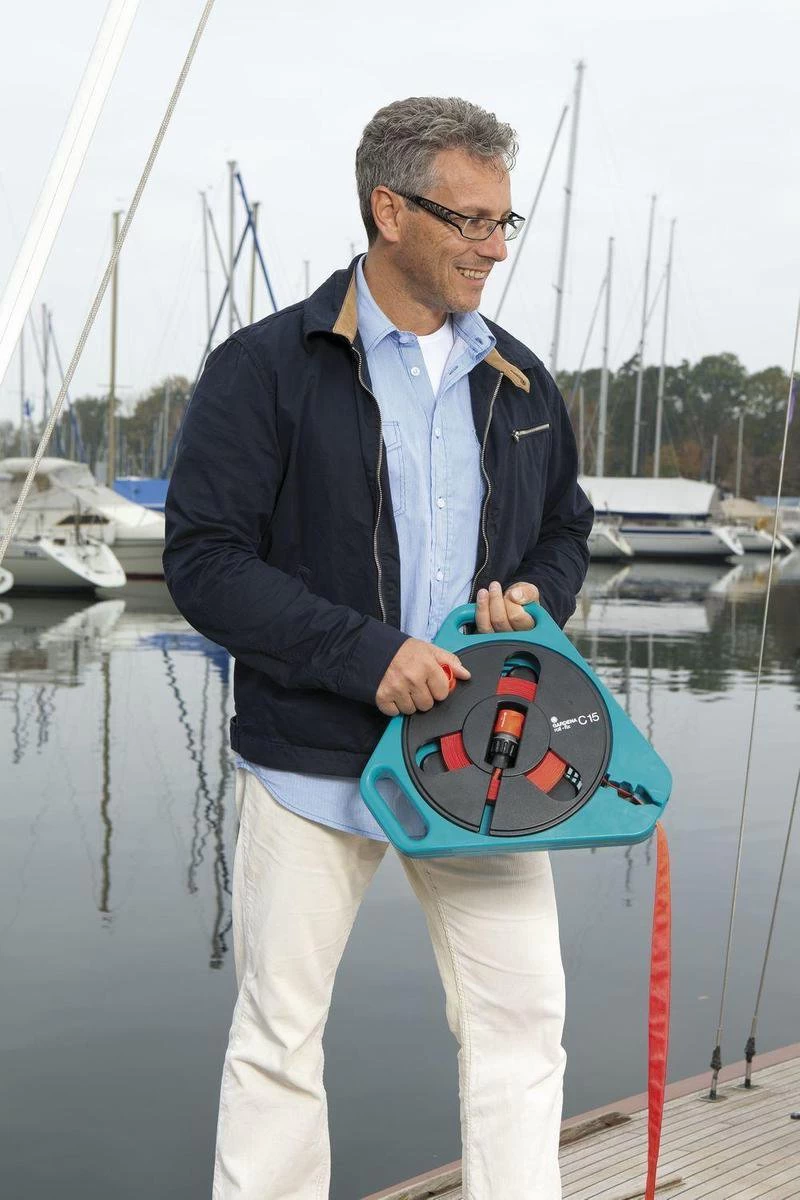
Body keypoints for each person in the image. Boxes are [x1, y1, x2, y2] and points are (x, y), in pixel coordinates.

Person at [164, 95, 593, 1200]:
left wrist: (532, 597)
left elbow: (564, 528)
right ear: (388, 211)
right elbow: (205, 562)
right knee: (279, 1036)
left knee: (521, 1023)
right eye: (470, 221)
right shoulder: (261, 368)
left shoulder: (520, 379)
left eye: (504, 221)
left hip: (487, 758)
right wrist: (367, 656)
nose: (494, 248)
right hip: (310, 755)